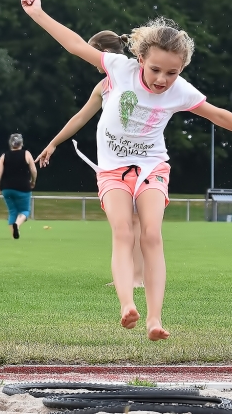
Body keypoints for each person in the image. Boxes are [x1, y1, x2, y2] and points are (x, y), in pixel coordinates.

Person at [21, 0, 232, 340]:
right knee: (123, 232)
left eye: (172, 72)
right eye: (155, 70)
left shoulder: (178, 90)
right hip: (112, 170)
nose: (162, 79)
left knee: (152, 234)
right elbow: (76, 45)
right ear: (140, 59)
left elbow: (218, 115)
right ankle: (127, 305)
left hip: (152, 166)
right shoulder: (119, 70)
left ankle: (155, 319)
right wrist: (39, 14)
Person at [36, 30, 145, 288]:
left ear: (104, 54)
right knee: (124, 221)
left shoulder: (133, 75)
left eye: (91, 53)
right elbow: (80, 118)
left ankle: (138, 277)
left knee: (136, 219)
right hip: (114, 162)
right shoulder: (104, 85)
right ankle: (128, 275)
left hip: (140, 158)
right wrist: (53, 143)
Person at [0, 133, 37, 239]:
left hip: (7, 188)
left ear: (10, 144)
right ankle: (17, 224)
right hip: (23, 188)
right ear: (21, 143)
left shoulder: (4, 156)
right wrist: (33, 181)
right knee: (25, 211)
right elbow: (34, 170)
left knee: (12, 211)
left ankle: (14, 237)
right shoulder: (26, 154)